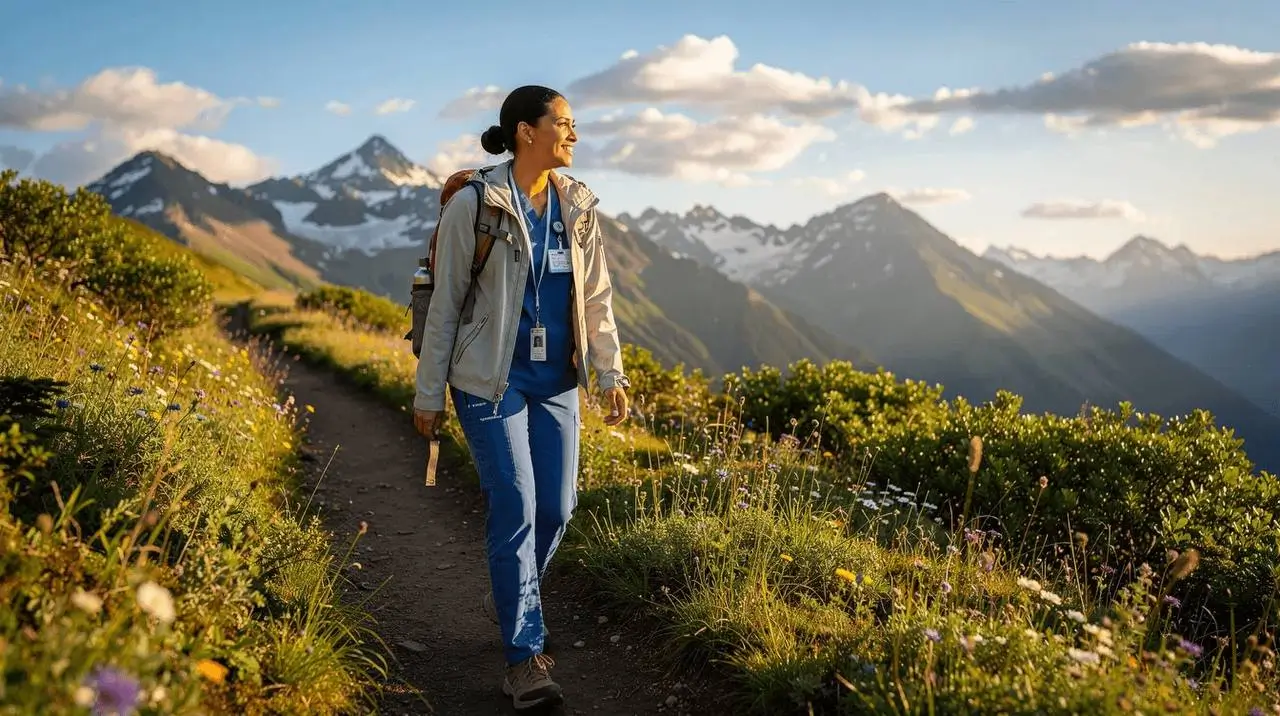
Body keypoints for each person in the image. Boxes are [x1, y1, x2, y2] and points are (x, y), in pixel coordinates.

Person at [411, 85, 630, 710]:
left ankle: (514, 596)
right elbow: (447, 305)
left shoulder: (578, 206)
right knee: (516, 503)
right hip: (488, 382)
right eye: (563, 123)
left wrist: (609, 374)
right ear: (525, 131)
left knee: (557, 508)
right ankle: (523, 656)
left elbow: (596, 299)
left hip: (557, 382)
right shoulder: (475, 205)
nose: (574, 135)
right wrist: (429, 393)